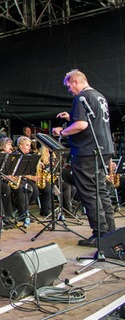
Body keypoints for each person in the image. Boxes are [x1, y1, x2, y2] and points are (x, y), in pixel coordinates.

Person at [52, 69, 115, 247]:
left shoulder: (81, 98)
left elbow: (82, 125)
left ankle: (99, 234)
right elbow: (92, 121)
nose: (69, 90)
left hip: (87, 151)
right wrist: (71, 116)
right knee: (101, 190)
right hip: (104, 148)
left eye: (69, 86)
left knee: (89, 193)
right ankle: (111, 231)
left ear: (75, 82)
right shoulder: (99, 96)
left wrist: (62, 131)